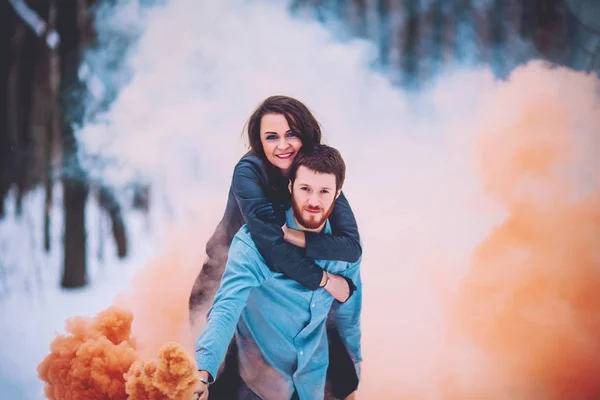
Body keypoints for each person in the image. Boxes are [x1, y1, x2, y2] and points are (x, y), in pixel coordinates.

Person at [188, 95, 362, 399]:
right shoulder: (249, 173)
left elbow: (350, 248)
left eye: (291, 134)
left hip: (293, 284)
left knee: (335, 366)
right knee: (227, 369)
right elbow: (268, 244)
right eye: (272, 137)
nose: (283, 145)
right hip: (231, 270)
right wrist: (326, 281)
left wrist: (353, 366)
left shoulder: (319, 176)